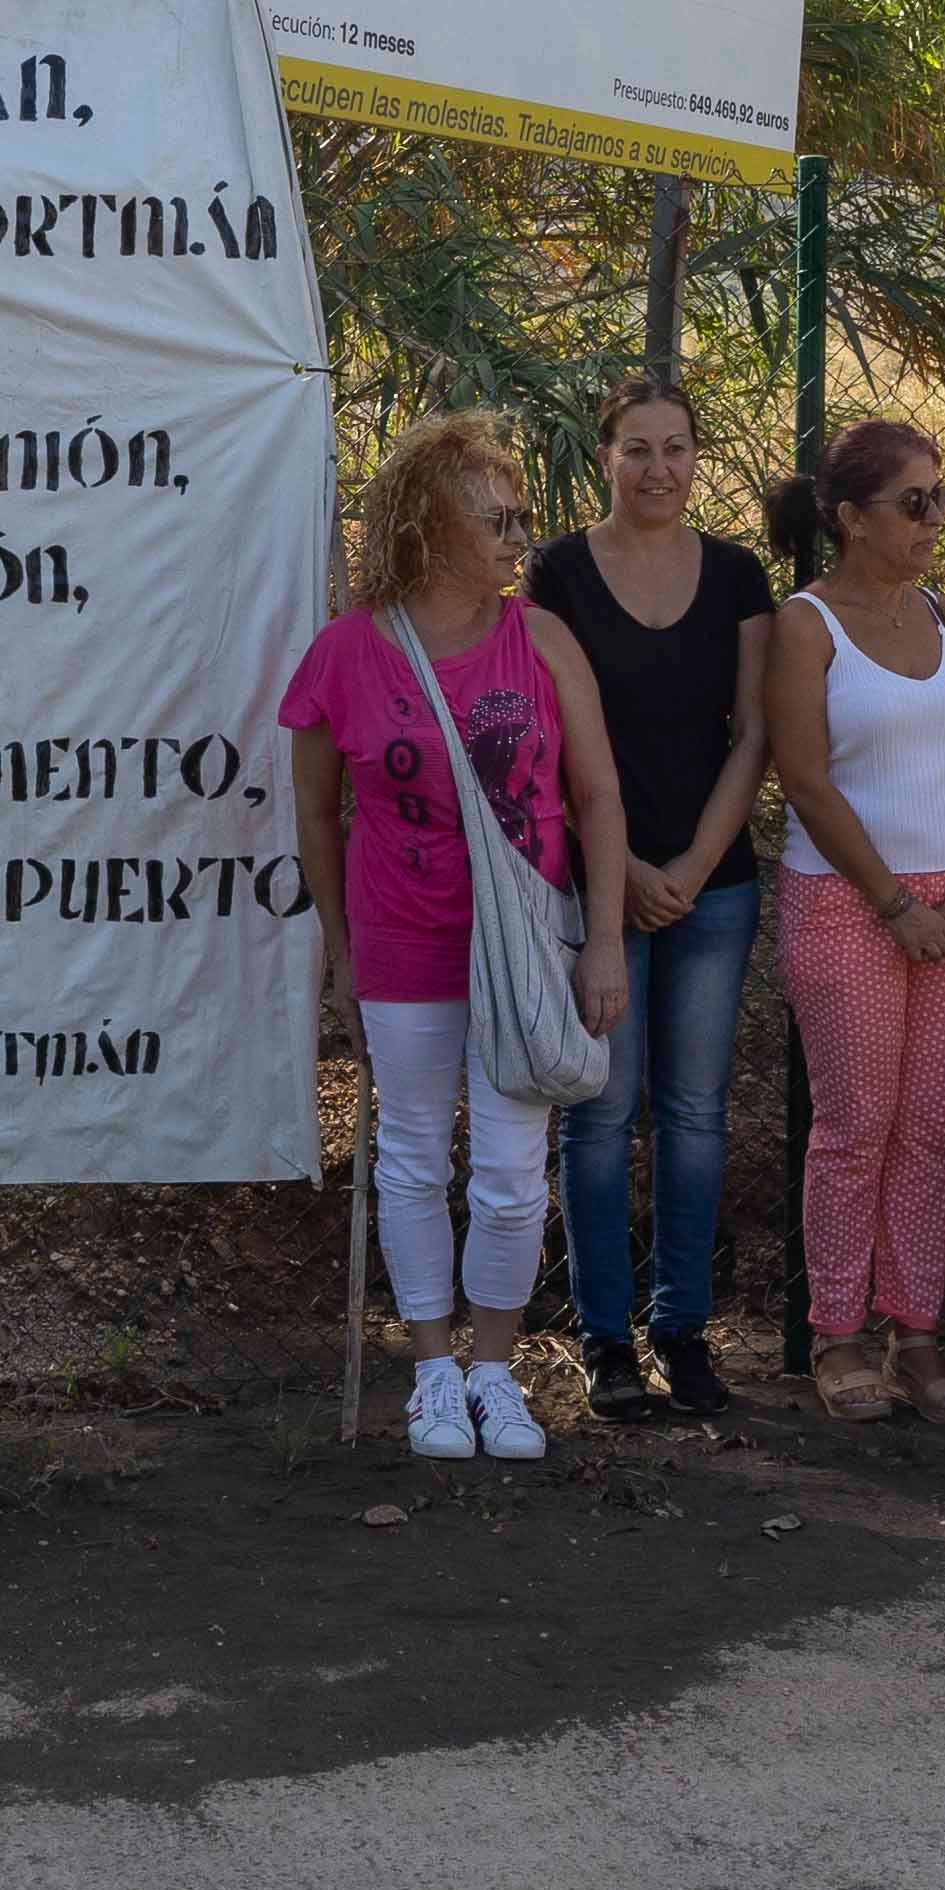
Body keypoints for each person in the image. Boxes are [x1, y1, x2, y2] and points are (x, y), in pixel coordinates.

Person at [282, 414, 632, 1464]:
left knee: (517, 1172)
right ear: (430, 525)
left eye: (521, 516)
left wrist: (603, 940)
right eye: (499, 518)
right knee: (411, 1156)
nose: (520, 535)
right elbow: (314, 813)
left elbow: (600, 797)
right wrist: (341, 950)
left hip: (523, 951)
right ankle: (432, 1372)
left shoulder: (543, 639)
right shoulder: (347, 653)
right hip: (404, 943)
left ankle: (496, 1367)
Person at [524, 378, 773, 1423]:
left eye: (676, 449)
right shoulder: (558, 574)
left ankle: (684, 1333)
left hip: (713, 889)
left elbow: (754, 736)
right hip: (597, 888)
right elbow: (546, 747)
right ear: (605, 456)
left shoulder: (737, 577)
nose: (658, 469)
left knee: (694, 1116)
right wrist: (620, 877)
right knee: (599, 1114)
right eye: (637, 449)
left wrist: (690, 867)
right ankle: (605, 1340)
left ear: (695, 457)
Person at [762, 420, 945, 1426]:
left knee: (929, 1132)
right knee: (856, 1128)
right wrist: (893, 906)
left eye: (940, 499)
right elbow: (807, 782)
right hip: (847, 905)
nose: (934, 519)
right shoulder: (807, 625)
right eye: (914, 502)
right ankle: (838, 1337)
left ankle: (916, 1334)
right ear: (850, 518)